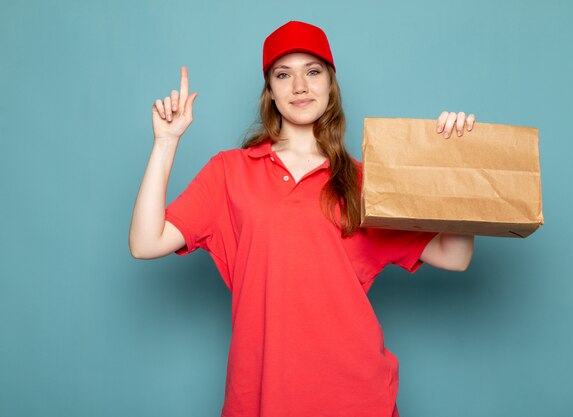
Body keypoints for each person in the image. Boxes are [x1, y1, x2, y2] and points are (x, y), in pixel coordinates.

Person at [129, 20, 475, 417]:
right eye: (283, 74)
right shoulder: (229, 173)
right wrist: (165, 143)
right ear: (270, 91)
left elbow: (455, 255)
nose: (299, 86)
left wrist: (457, 164)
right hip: (261, 395)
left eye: (312, 72)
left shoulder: (364, 180)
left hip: (357, 397)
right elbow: (145, 242)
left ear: (330, 84)